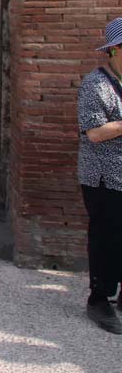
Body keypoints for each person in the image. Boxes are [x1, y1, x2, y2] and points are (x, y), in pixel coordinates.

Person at [78, 17, 122, 333]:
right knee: (107, 238)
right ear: (115, 50)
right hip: (105, 177)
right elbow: (94, 133)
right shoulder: (96, 84)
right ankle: (99, 299)